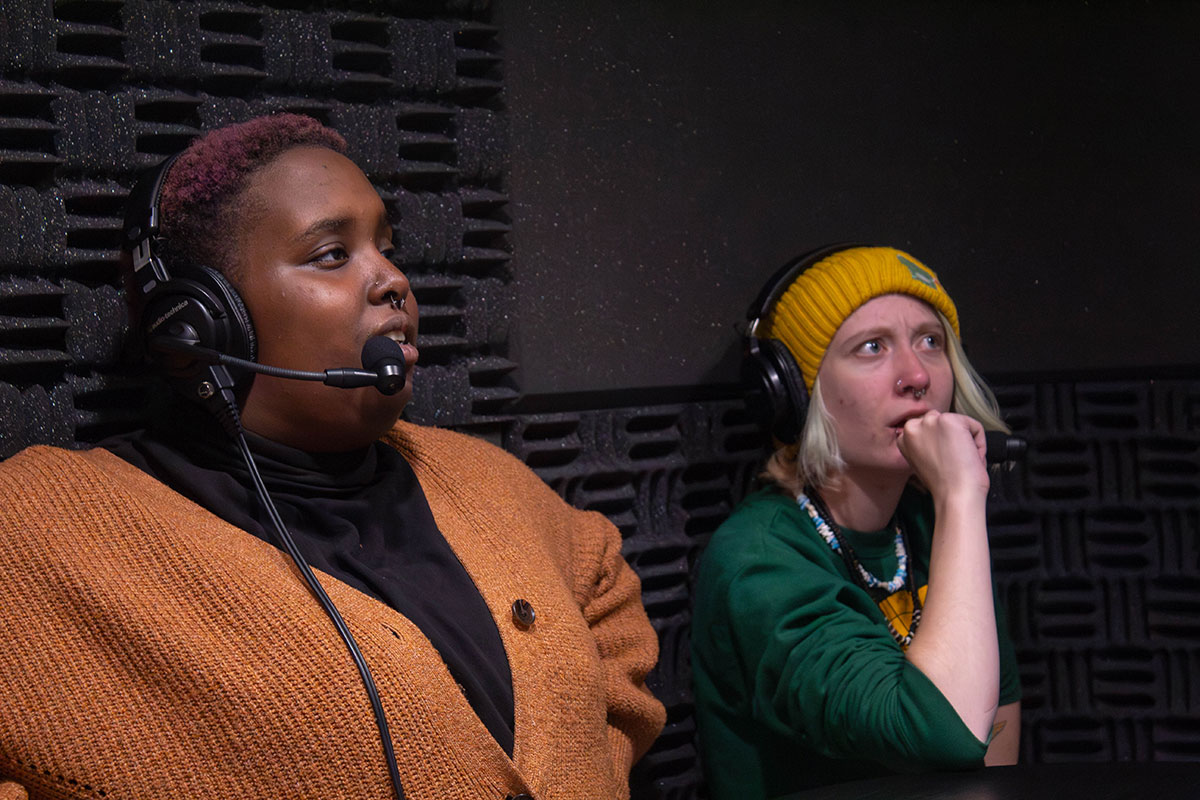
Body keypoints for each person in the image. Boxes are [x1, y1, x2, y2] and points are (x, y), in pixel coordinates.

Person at [0, 114, 665, 799]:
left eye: (385, 245)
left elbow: (604, 593)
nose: (393, 280)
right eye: (331, 255)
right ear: (199, 322)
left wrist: (585, 768)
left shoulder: (482, 477)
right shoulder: (38, 529)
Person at [691, 245, 1021, 797]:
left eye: (930, 342)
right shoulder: (760, 561)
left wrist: (953, 508)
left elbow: (996, 745)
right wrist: (963, 495)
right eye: (872, 347)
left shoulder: (932, 525)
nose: (916, 375)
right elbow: (947, 735)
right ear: (794, 393)